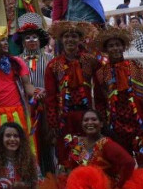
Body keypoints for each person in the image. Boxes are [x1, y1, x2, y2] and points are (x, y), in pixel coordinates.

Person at [43, 21, 102, 164]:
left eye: (74, 36)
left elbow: (100, 90)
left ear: (80, 39)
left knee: (90, 157)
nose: (70, 40)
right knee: (67, 158)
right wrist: (53, 123)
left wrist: (100, 116)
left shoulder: (90, 61)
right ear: (61, 40)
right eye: (66, 36)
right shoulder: (53, 65)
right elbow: (50, 98)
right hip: (64, 119)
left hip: (87, 118)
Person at [93, 26, 143, 152]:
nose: (115, 48)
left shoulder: (136, 65)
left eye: (118, 45)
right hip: (116, 122)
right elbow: (99, 101)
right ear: (106, 49)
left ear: (123, 47)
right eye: (111, 46)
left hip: (138, 118)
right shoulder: (101, 73)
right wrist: (103, 123)